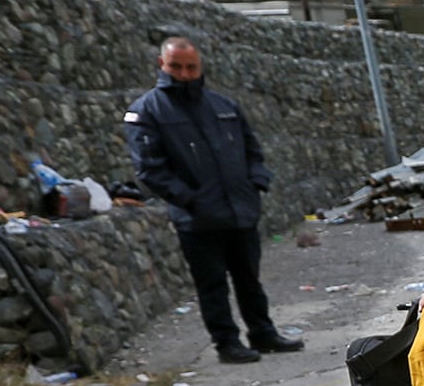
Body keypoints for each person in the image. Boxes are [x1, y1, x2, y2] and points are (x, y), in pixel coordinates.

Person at [123, 37, 302, 365]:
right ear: (161, 65)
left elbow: (252, 150)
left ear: (200, 67)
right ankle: (227, 343)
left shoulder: (223, 106)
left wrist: (256, 184)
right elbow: (149, 169)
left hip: (240, 211)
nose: (184, 73)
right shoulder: (146, 111)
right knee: (212, 286)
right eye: (176, 66)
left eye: (190, 67)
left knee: (249, 279)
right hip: (197, 219)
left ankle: (263, 333)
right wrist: (190, 200)